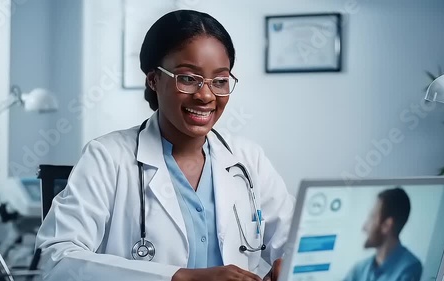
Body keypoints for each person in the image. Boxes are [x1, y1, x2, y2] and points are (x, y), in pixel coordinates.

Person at [35, 9, 294, 281]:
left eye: (220, 81)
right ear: (153, 79)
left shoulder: (247, 158)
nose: (206, 95)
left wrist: (290, 266)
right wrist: (181, 277)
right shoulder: (107, 157)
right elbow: (56, 260)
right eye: (188, 78)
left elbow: (294, 241)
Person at [344, 187, 422, 281]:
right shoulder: (359, 270)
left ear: (386, 225)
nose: (364, 227)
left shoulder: (409, 269)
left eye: (371, 217)